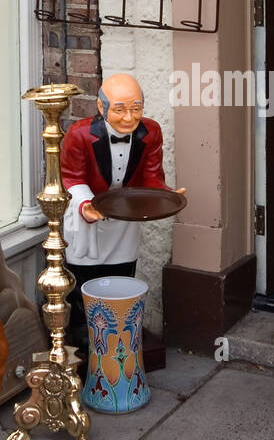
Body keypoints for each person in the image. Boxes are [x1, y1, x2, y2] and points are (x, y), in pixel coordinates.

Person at [60, 73, 184, 362]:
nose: (129, 118)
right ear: (101, 108)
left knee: (122, 271)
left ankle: (120, 329)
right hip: (87, 213)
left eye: (136, 108)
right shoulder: (79, 135)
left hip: (126, 214)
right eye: (120, 109)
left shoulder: (150, 132)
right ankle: (85, 332)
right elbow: (71, 177)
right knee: (84, 273)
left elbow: (151, 177)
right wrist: (85, 205)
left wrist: (166, 194)